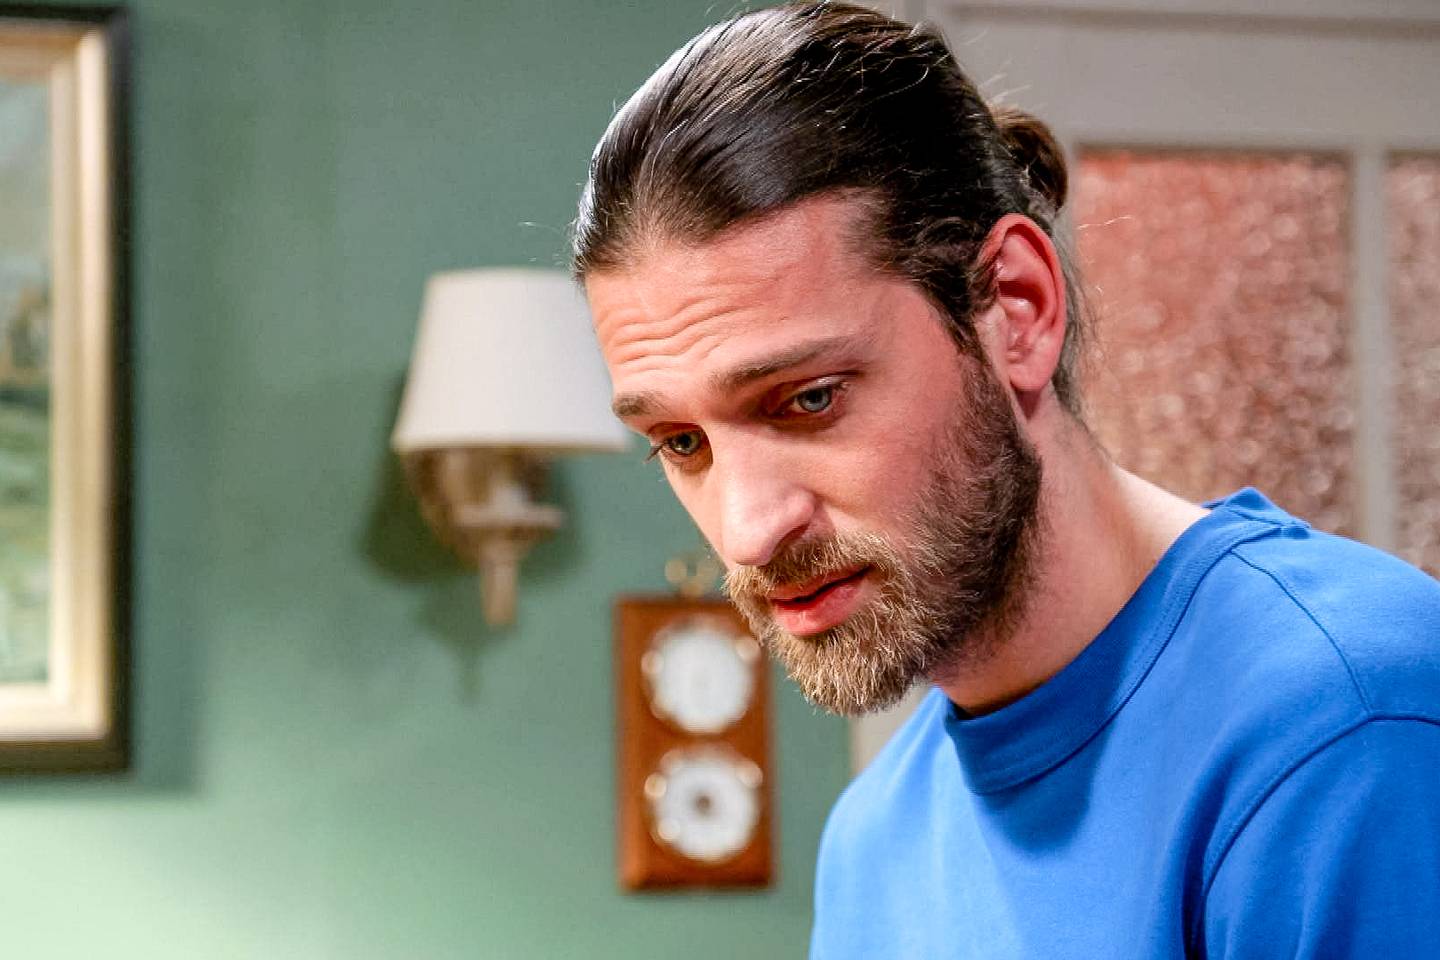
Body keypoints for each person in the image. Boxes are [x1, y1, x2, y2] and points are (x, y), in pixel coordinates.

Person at [573, 2, 1440, 957]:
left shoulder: (1351, 723)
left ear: (1016, 310)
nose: (746, 530)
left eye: (809, 399)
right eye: (682, 443)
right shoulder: (871, 845)